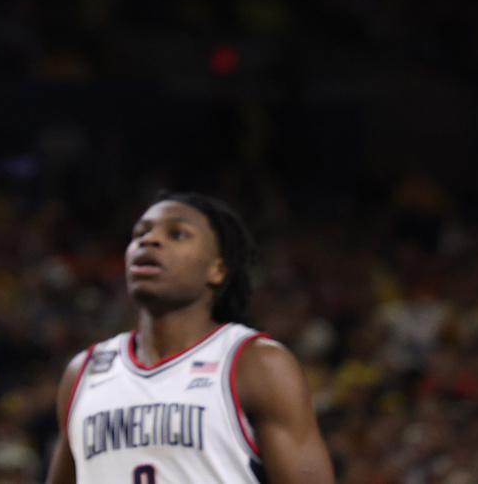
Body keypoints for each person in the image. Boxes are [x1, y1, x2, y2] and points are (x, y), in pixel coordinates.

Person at [46, 194, 334, 484]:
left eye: (177, 234)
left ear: (217, 269)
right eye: (140, 233)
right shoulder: (85, 372)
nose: (150, 240)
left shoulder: (256, 363)